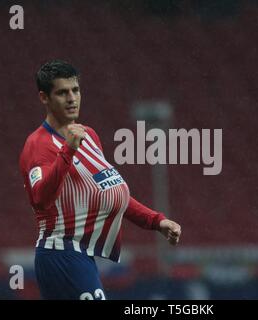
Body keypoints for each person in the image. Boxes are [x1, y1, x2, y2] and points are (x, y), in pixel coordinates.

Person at [19, 60, 181, 300]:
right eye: (62, 92)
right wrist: (68, 151)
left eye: (75, 90)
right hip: (60, 253)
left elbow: (109, 189)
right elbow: (40, 198)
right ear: (44, 98)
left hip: (80, 255)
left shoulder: (89, 135)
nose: (72, 98)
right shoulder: (38, 145)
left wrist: (156, 221)